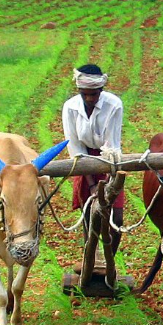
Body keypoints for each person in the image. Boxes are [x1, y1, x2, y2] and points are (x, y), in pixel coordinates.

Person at [62, 63, 124, 242]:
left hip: (109, 160)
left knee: (116, 219)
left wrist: (106, 185)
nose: (89, 99)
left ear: (101, 90)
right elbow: (75, 148)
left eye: (94, 94)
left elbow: (111, 146)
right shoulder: (70, 107)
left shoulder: (114, 105)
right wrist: (91, 185)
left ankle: (109, 263)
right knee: (90, 215)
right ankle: (91, 257)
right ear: (79, 91)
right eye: (85, 95)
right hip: (84, 161)